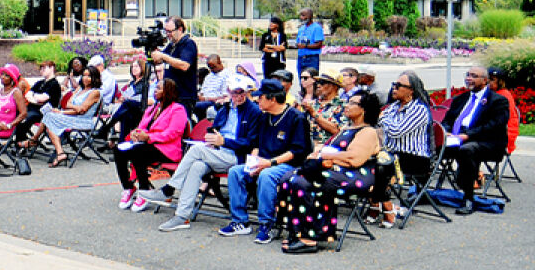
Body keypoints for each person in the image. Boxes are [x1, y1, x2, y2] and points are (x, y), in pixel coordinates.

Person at [140, 75, 261, 228]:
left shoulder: (253, 112)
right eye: (234, 92)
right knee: (196, 166)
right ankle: (182, 216)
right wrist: (211, 136)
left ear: (247, 92)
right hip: (216, 151)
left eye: (241, 92)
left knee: (197, 150)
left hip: (235, 156)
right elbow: (214, 127)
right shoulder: (226, 108)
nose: (237, 96)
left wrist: (224, 141)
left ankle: (168, 189)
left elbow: (251, 143)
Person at [274, 91, 381, 253]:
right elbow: (331, 150)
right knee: (288, 177)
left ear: (363, 109)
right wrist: (320, 153)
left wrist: (326, 156)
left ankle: (310, 238)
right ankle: (296, 230)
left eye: (353, 103)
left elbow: (355, 159)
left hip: (356, 176)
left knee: (303, 182)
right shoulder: (347, 128)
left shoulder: (368, 132)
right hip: (336, 170)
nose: (347, 105)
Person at [220, 78, 311, 244]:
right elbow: (256, 144)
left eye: (260, 97)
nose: (257, 100)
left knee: (267, 175)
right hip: (264, 161)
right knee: (236, 171)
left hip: (288, 165)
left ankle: (266, 224)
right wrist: (253, 162)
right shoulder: (264, 117)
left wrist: (269, 163)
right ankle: (240, 221)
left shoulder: (296, 118)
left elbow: (297, 151)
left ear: (273, 99)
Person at [440, 66, 511, 214]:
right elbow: (448, 120)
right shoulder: (460, 99)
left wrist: (469, 135)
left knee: (467, 149)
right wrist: (445, 131)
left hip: (486, 141)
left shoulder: (498, 101)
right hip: (456, 139)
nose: (469, 78)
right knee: (430, 142)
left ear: (485, 80)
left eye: (474, 76)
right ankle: (421, 190)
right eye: (467, 75)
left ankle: (468, 198)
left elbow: (493, 126)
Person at [369, 70, 434, 227]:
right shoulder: (393, 106)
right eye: (394, 85)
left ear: (411, 90)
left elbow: (396, 131)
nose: (394, 88)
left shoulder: (420, 110)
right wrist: (384, 120)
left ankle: (382, 205)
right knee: (369, 162)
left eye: (399, 86)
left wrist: (384, 120)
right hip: (392, 154)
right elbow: (378, 124)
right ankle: (382, 204)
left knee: (381, 165)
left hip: (415, 158)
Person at [113, 79, 189, 203]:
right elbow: (142, 127)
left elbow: (173, 133)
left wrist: (149, 138)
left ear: (168, 91)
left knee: (138, 151)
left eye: (158, 88)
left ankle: (144, 190)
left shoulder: (177, 109)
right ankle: (128, 187)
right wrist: (135, 134)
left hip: (166, 149)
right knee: (119, 149)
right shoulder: (153, 108)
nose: (155, 91)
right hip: (148, 144)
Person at [34, 65, 103, 168]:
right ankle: (60, 153)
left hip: (83, 121)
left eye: (89, 76)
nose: (85, 78)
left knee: (50, 117)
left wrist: (62, 112)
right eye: (84, 75)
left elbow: (82, 110)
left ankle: (34, 140)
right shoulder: (80, 88)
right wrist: (73, 108)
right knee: (49, 116)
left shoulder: (95, 92)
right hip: (72, 117)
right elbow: (67, 104)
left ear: (95, 78)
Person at [149, 15, 199, 116]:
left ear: (180, 29)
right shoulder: (172, 45)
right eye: (166, 31)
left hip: (184, 96)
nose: (168, 35)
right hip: (170, 95)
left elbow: (184, 65)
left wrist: (163, 56)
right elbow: (160, 60)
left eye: (170, 31)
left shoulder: (188, 44)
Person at [103, 57, 152, 147]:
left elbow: (139, 98)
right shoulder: (132, 82)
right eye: (132, 67)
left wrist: (127, 98)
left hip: (140, 108)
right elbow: (123, 94)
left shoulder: (144, 82)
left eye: (137, 66)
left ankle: (108, 126)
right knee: (125, 115)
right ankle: (122, 146)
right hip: (130, 110)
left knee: (127, 104)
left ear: (142, 68)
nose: (134, 68)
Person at [14, 60, 62, 147]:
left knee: (25, 118)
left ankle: (20, 143)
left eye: (44, 68)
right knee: (17, 114)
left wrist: (35, 97)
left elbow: (43, 99)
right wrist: (37, 98)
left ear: (52, 68)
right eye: (40, 68)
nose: (42, 70)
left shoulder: (54, 84)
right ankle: (20, 140)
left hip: (44, 112)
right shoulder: (40, 82)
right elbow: (28, 95)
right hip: (32, 108)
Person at [299, 72, 346, 146]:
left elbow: (337, 130)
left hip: (328, 147)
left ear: (334, 86)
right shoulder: (312, 104)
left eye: (322, 83)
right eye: (318, 82)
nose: (318, 85)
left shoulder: (343, 106)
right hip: (306, 145)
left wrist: (314, 114)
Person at [488, 67, 521, 156]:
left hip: (505, 135)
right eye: (486, 79)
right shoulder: (490, 93)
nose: (488, 82)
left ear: (500, 81)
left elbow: (496, 120)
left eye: (492, 80)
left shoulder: (503, 96)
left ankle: (473, 169)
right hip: (493, 132)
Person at [195, 54, 231, 121]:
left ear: (219, 63)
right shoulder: (209, 76)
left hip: (216, 102)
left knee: (196, 106)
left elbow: (224, 97)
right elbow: (202, 92)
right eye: (210, 67)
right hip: (204, 100)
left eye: (213, 67)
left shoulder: (227, 76)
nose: (212, 69)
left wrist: (206, 99)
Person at [295, 8, 324, 75]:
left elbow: (319, 45)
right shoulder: (301, 28)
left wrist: (305, 46)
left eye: (303, 15)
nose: (301, 17)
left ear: (310, 16)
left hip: (311, 59)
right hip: (301, 58)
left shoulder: (317, 28)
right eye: (301, 15)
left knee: (312, 80)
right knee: (302, 80)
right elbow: (298, 42)